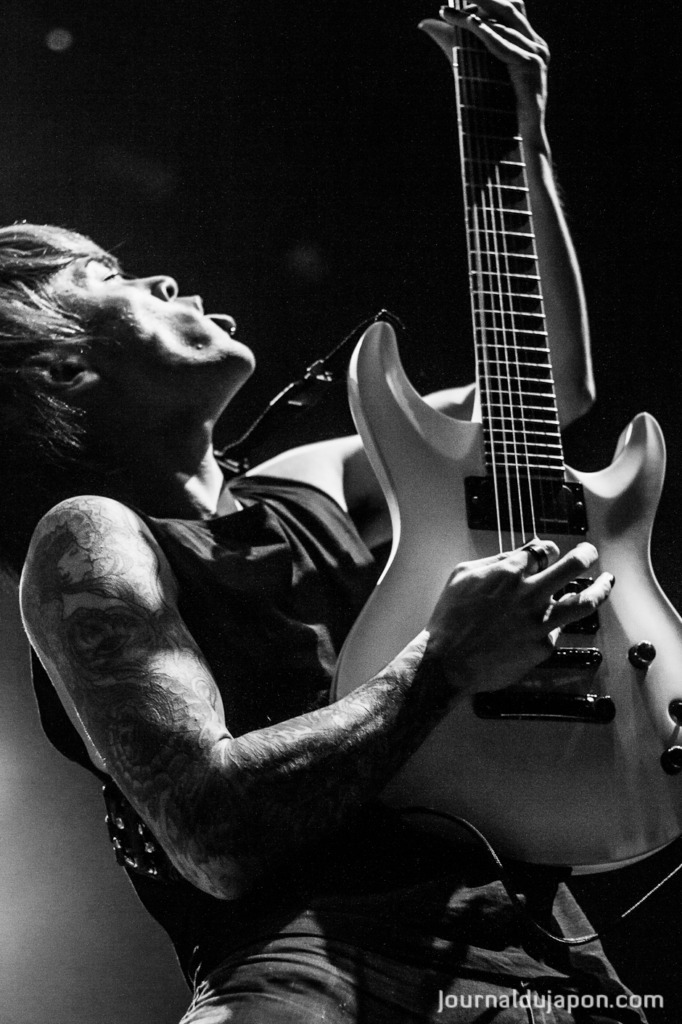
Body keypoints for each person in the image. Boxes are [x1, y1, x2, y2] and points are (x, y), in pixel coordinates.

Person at [0, 3, 647, 1022]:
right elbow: (212, 835)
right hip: (314, 972)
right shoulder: (90, 534)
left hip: (540, 953)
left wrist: (523, 134)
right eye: (108, 277)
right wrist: (440, 663)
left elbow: (546, 392)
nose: (164, 277)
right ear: (59, 367)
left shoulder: (308, 480)